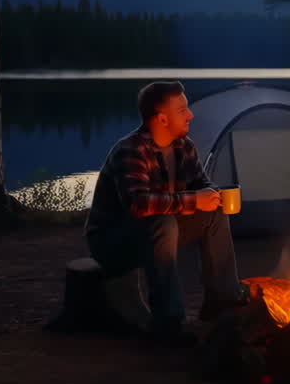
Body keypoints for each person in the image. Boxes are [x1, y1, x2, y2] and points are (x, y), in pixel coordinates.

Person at [85, 81, 244, 345]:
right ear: (162, 118)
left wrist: (213, 196)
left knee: (213, 214)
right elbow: (139, 204)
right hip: (112, 241)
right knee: (163, 222)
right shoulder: (130, 151)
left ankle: (222, 300)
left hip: (158, 230)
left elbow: (201, 184)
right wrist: (194, 200)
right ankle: (168, 323)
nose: (190, 115)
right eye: (183, 110)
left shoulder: (184, 146)